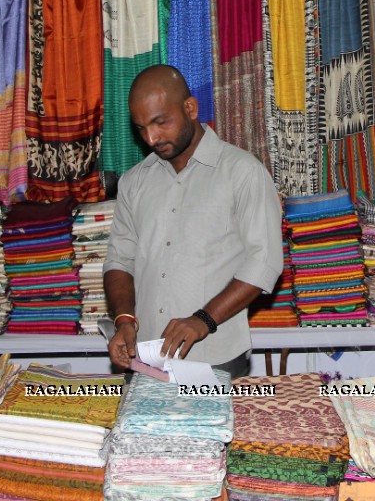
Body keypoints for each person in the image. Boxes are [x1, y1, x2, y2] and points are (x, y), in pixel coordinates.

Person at [103, 64, 282, 379]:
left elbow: (264, 262)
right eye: (141, 127)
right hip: (145, 358)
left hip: (213, 358)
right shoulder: (133, 182)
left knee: (213, 430)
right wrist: (124, 321)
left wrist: (204, 320)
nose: (151, 137)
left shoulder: (242, 172)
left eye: (160, 122)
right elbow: (120, 260)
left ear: (190, 108)